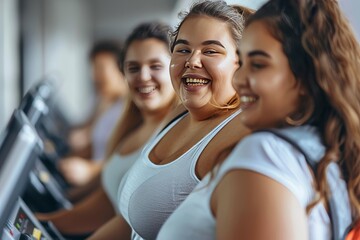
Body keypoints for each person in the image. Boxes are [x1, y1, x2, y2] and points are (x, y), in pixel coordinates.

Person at [158, 0, 360, 239]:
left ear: (305, 75)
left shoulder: (266, 154)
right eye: (242, 63)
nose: (239, 79)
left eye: (258, 64)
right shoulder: (331, 151)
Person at [105, 1, 251, 239]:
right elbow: (128, 223)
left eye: (211, 51)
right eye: (182, 49)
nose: (192, 61)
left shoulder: (241, 131)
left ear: (241, 62)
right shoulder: (179, 113)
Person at [36, 22, 179, 238]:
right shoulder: (130, 126)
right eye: (133, 67)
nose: (143, 76)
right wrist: (40, 222)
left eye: (155, 66)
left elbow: (130, 222)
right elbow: (106, 203)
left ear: (175, 68)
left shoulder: (176, 131)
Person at [59, 40, 129, 187]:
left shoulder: (129, 110)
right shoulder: (103, 101)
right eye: (93, 68)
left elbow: (125, 160)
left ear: (120, 69)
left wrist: (89, 170)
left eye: (100, 68)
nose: (94, 76)